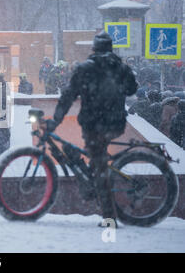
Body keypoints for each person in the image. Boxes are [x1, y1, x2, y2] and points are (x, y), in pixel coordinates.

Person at [44, 31, 137, 227]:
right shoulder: (120, 68)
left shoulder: (85, 68)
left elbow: (68, 95)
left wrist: (56, 120)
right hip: (115, 124)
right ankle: (94, 178)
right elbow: (132, 89)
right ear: (111, 48)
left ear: (94, 48)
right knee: (96, 160)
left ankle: (109, 218)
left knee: (100, 167)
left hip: (94, 125)